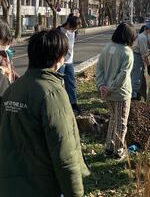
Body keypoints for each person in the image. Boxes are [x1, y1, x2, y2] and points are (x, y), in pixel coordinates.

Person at [0, 29, 89, 197]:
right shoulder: (52, 93)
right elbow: (65, 153)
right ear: (59, 58)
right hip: (42, 187)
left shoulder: (13, 89)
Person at [96, 22, 136, 160]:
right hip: (121, 93)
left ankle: (109, 147)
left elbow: (99, 68)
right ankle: (118, 151)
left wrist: (102, 85)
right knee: (121, 122)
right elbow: (123, 75)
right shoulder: (127, 52)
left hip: (106, 92)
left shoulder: (107, 48)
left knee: (113, 119)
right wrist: (112, 88)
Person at [58, 14, 82, 115]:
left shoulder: (74, 32)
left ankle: (73, 103)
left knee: (71, 83)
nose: (74, 30)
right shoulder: (58, 31)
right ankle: (58, 103)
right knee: (58, 83)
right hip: (60, 62)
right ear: (68, 24)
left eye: (76, 29)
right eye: (73, 28)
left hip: (69, 61)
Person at [131, 21, 150, 100]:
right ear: (148, 29)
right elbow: (144, 54)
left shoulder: (146, 36)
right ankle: (133, 96)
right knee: (136, 77)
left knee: (141, 77)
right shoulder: (142, 37)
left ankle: (140, 94)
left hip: (139, 57)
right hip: (137, 57)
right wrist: (149, 66)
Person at [0, 20, 18, 102]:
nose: (6, 46)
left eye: (7, 44)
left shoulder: (7, 54)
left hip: (8, 94)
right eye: (3, 43)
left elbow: (11, 72)